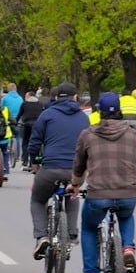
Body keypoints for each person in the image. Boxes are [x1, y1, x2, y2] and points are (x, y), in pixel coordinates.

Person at [70, 92, 136, 273]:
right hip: (128, 193)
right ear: (119, 111)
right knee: (126, 215)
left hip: (98, 194)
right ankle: (128, 248)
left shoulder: (88, 134)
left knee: (89, 228)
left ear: (98, 111)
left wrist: (75, 185)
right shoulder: (133, 135)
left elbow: (79, 166)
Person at [28, 81, 90, 260]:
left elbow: (34, 142)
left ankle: (42, 236)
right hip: (75, 170)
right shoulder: (83, 118)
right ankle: (71, 236)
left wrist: (35, 164)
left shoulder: (47, 115)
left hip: (51, 167)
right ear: (76, 97)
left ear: (56, 97)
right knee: (73, 193)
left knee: (38, 200)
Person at [17, 90, 44, 170]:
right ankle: (37, 159)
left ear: (28, 97)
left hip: (27, 125)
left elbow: (19, 115)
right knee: (38, 142)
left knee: (25, 141)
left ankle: (25, 160)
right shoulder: (40, 104)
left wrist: (15, 122)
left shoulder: (25, 104)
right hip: (38, 125)